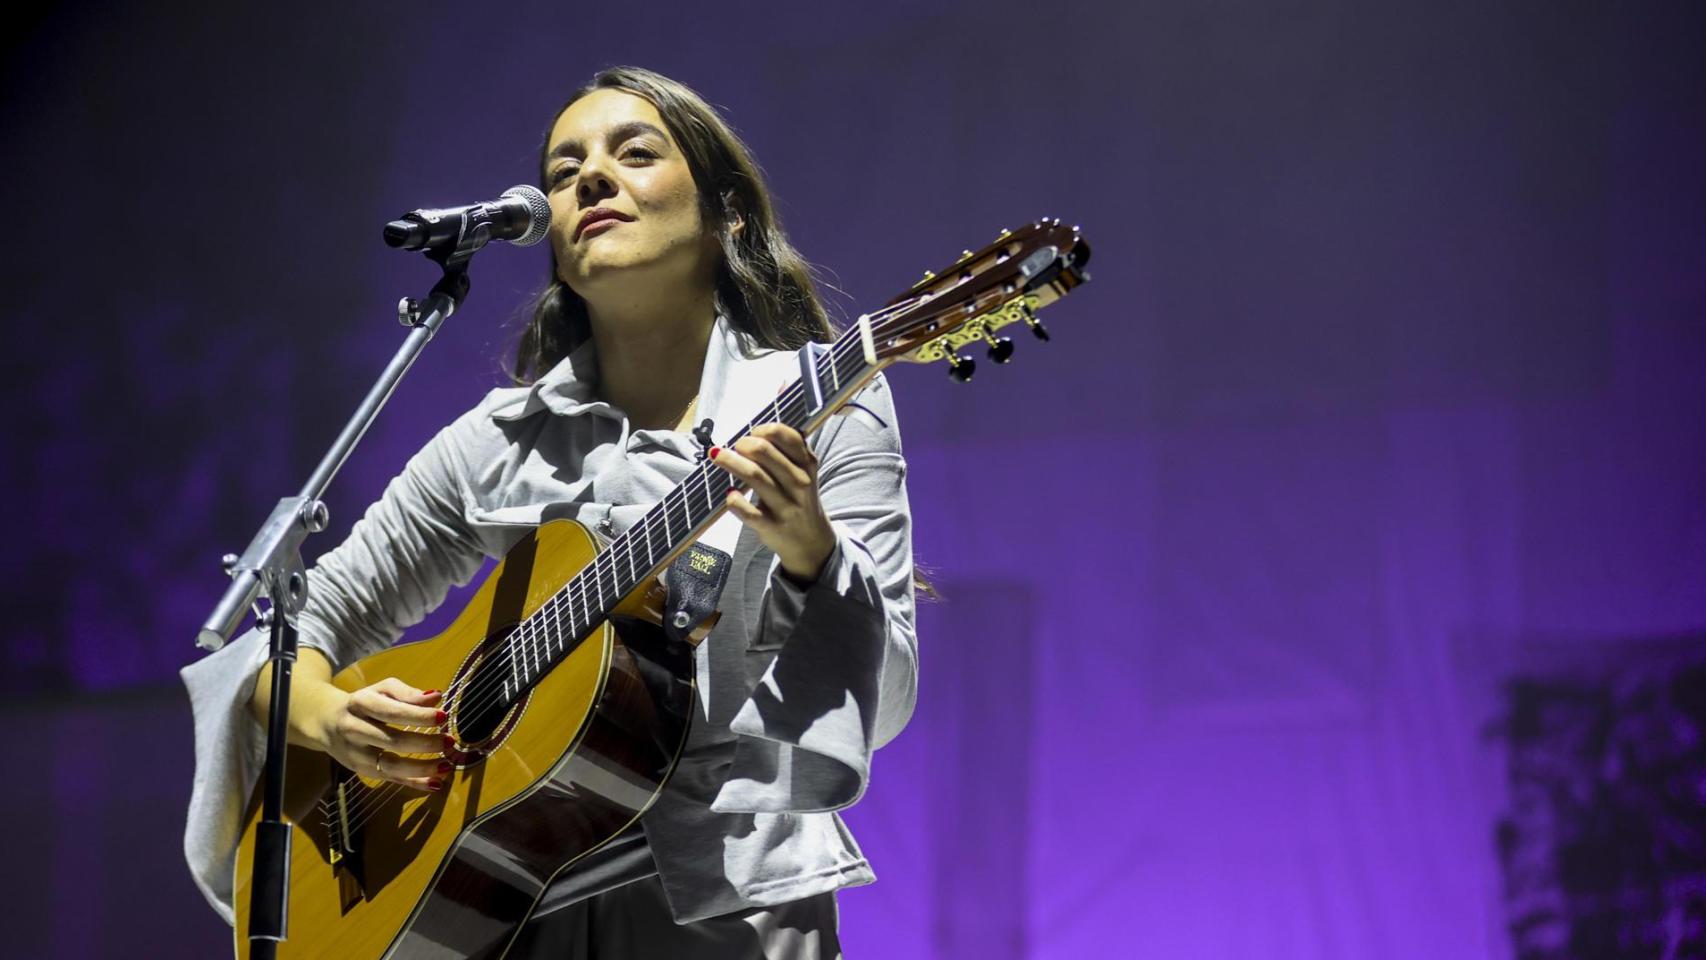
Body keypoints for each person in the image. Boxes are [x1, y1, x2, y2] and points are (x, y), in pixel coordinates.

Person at [181, 66, 918, 958]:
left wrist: (809, 552)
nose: (590, 181)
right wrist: (330, 720)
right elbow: (289, 628)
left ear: (729, 216)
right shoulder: (498, 440)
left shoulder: (822, 402)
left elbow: (886, 698)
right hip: (500, 907)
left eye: (634, 154)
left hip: (728, 906)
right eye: (564, 173)